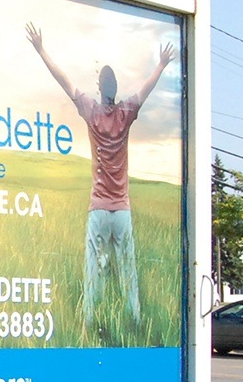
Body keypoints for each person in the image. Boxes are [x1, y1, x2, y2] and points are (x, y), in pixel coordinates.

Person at [25, 22, 176, 325]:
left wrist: (41, 49)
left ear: (99, 88)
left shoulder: (91, 111)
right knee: (127, 267)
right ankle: (133, 316)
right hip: (121, 209)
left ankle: (92, 319)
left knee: (94, 267)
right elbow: (146, 89)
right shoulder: (126, 112)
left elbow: (64, 81)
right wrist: (160, 64)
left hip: (98, 208)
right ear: (116, 89)